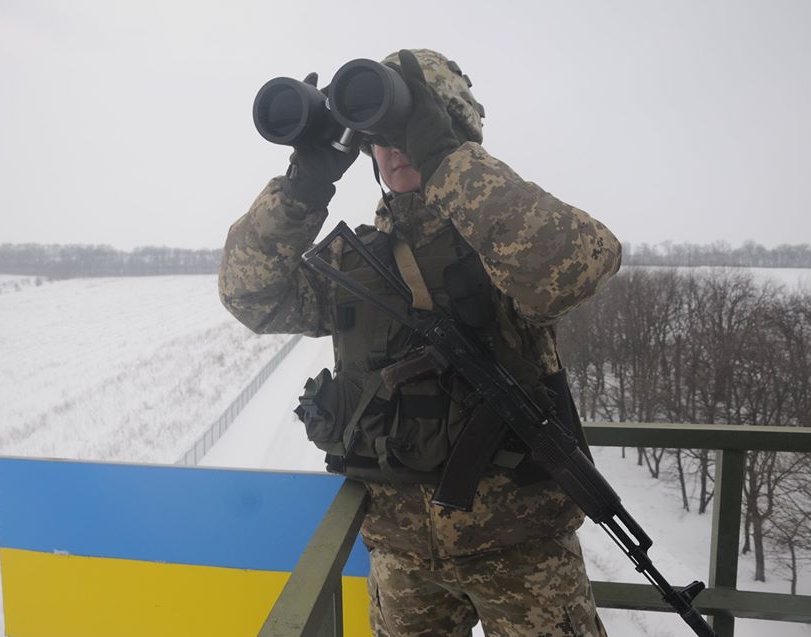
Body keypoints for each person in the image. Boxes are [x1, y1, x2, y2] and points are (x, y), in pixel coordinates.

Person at [219, 48, 620, 637]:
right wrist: (301, 188)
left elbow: (577, 262)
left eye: (408, 129)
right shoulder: (354, 262)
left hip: (523, 551)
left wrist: (448, 162)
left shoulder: (503, 243)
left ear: (452, 132)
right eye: (380, 136)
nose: (393, 147)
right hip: (402, 555)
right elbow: (248, 296)